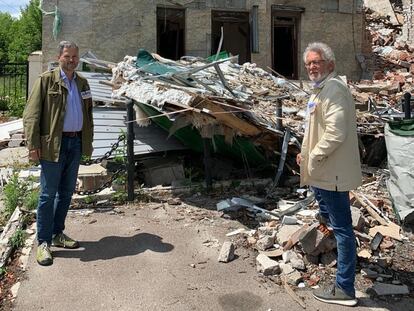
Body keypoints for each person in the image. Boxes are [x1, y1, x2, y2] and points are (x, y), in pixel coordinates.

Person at [297, 42, 362, 306]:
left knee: (344, 230)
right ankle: (345, 264)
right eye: (308, 63)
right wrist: (306, 154)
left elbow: (336, 132)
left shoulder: (334, 89)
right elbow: (317, 130)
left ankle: (344, 289)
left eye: (317, 62)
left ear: (330, 65)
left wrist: (313, 156)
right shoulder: (320, 91)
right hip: (322, 171)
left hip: (331, 173)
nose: (312, 67)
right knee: (329, 216)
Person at [23, 41, 94, 266]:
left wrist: (87, 144)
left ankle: (57, 233)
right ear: (59, 56)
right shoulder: (46, 80)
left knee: (65, 194)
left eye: (75, 56)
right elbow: (31, 115)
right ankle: (43, 242)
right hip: (53, 145)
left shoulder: (83, 83)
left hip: (75, 144)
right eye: (67, 56)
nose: (71, 60)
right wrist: (33, 146)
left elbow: (89, 115)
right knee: (47, 195)